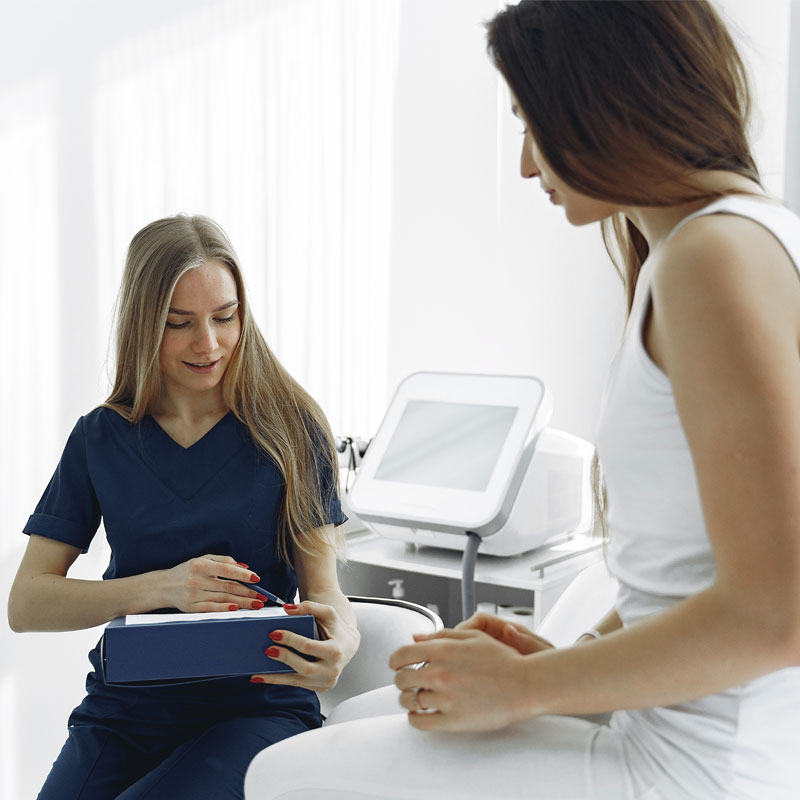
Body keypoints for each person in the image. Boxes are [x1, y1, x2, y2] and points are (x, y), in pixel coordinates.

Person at [242, 2, 800, 798]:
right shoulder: (725, 242)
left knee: (279, 776)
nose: (527, 166)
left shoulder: (711, 258)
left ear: (602, 102)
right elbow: (685, 572)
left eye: (529, 124)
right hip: (666, 728)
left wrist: (528, 689)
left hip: (690, 769)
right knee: (365, 712)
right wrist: (555, 663)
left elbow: (777, 614)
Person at [7, 213, 360, 799]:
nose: (210, 343)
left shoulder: (292, 429)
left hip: (255, 709)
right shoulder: (101, 438)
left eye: (225, 317)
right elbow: (27, 603)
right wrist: (163, 588)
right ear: (145, 325)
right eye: (180, 323)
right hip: (125, 712)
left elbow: (325, 592)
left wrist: (341, 643)